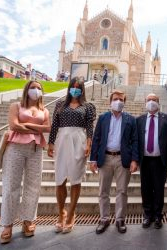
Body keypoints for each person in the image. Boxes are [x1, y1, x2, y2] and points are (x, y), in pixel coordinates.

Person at [0, 80, 50, 244]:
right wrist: (36, 127)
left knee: (33, 185)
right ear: (26, 90)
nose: (36, 90)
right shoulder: (16, 106)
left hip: (35, 149)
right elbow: (14, 125)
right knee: (11, 185)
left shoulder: (45, 110)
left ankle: (28, 220)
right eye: (33, 87)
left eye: (39, 88)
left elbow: (48, 128)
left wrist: (26, 124)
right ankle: (7, 224)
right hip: (15, 147)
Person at [48, 77, 96, 234]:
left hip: (79, 141)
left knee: (75, 179)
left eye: (78, 87)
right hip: (62, 140)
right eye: (73, 86)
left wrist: (89, 144)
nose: (75, 89)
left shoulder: (87, 107)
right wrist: (50, 143)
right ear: (69, 88)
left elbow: (89, 126)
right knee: (60, 179)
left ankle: (71, 214)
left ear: (82, 89)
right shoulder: (60, 104)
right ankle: (61, 213)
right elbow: (54, 124)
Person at [89, 90, 139, 234]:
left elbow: (135, 140)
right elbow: (97, 138)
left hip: (123, 158)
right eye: (115, 99)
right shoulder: (103, 118)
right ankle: (104, 218)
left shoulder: (131, 119)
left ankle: (120, 219)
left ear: (124, 102)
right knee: (103, 191)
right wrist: (93, 159)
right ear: (110, 102)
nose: (118, 101)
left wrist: (135, 160)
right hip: (104, 158)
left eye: (121, 99)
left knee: (122, 191)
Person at [137, 93, 167, 229]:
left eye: (154, 100)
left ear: (158, 102)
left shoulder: (166, 118)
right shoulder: (140, 119)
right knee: (146, 189)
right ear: (145, 102)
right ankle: (148, 215)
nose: (151, 102)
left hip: (160, 160)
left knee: (159, 189)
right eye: (149, 100)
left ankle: (158, 216)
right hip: (145, 161)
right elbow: (136, 140)